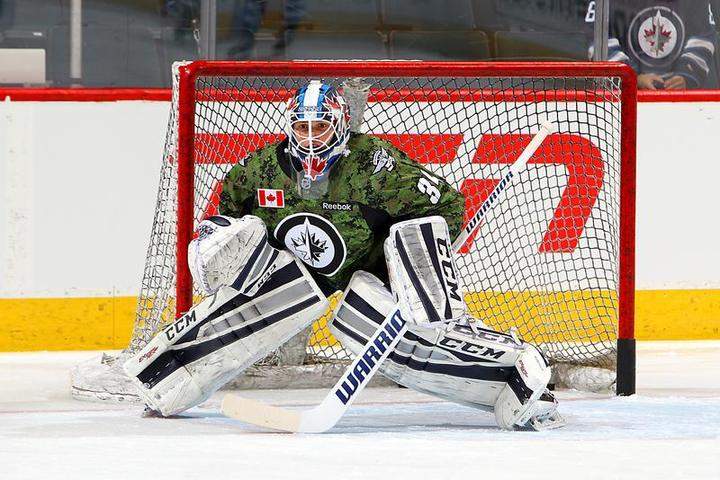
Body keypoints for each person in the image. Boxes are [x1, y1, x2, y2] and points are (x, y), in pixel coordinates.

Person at [123, 81, 562, 431]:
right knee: (262, 302)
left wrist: (409, 265)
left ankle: (511, 373)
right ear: (290, 127)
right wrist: (220, 239)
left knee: (407, 334)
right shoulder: (259, 169)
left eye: (321, 128)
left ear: (340, 126)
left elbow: (445, 206)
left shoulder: (375, 165)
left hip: (369, 270)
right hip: (298, 272)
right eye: (302, 128)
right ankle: (168, 374)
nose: (311, 138)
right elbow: (231, 215)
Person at [589, 0, 718, 89]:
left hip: (682, 100)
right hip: (621, 101)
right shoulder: (607, 4)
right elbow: (598, 39)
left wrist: (686, 75)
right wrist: (632, 77)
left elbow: (703, 37)